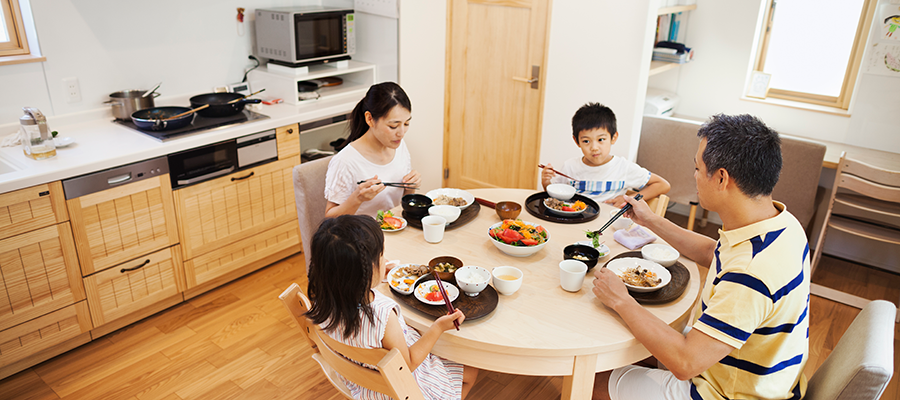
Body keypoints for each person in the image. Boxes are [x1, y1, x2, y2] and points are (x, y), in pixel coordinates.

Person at [591, 114, 810, 400]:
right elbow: (712, 252)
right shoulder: (782, 223)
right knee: (627, 346)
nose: (694, 175)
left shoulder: (751, 272)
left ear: (721, 178)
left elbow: (684, 362)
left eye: (697, 167)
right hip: (760, 375)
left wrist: (621, 299)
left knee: (588, 379)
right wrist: (650, 220)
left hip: (725, 391)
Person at [305, 214, 479, 399]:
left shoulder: (321, 300)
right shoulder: (383, 314)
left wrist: (376, 279)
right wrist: (438, 327)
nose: (385, 260)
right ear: (366, 271)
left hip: (361, 382)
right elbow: (409, 364)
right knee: (471, 371)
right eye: (380, 256)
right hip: (397, 388)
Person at [541, 103, 670, 207]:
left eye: (601, 140)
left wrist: (630, 198)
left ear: (613, 138)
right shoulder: (570, 166)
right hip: (576, 224)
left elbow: (663, 185)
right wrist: (546, 182)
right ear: (577, 141)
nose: (594, 147)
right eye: (586, 141)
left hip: (608, 228)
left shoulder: (623, 167)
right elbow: (556, 198)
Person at [325, 82, 422, 217]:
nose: (401, 133)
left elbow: (401, 202)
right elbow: (330, 218)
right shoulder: (345, 161)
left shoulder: (399, 146)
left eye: (406, 123)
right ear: (369, 119)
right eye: (393, 126)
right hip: (363, 234)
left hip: (396, 226)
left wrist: (410, 186)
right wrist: (357, 198)